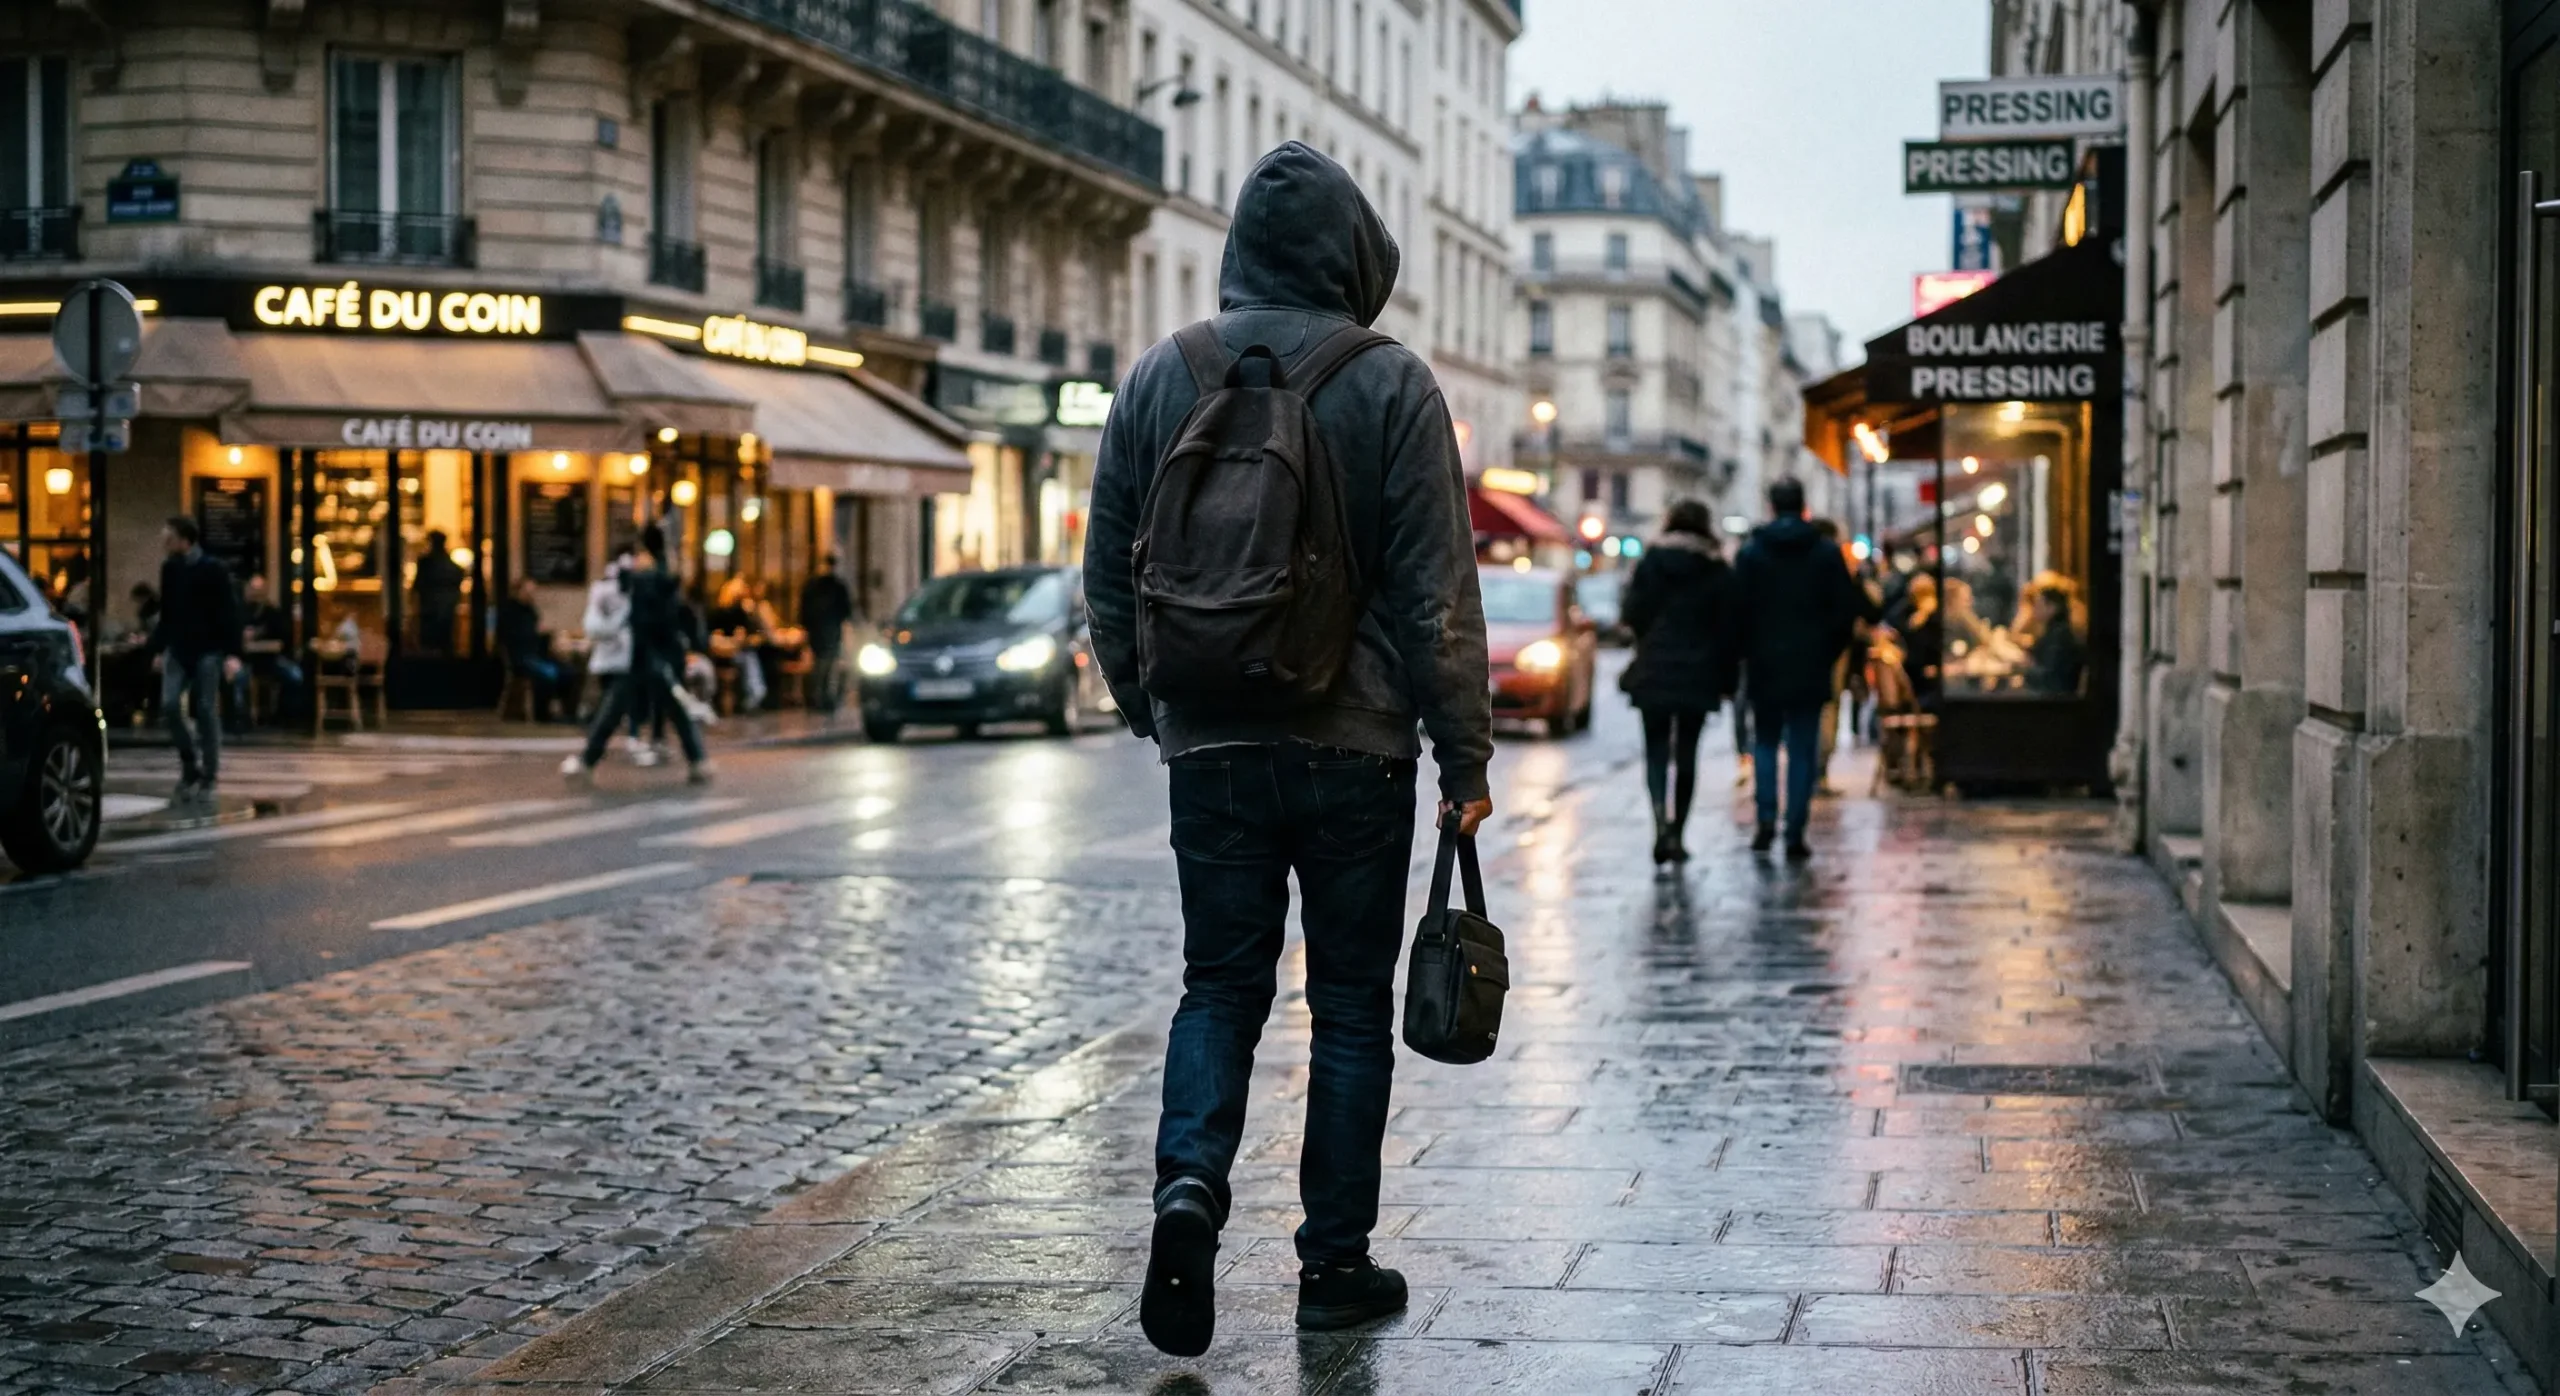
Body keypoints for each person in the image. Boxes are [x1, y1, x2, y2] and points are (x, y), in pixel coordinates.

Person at [1083, 141, 1493, 1356]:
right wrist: (1462, 760)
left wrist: (1150, 705)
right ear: (1352, 252)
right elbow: (1437, 595)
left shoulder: (1162, 375)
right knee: (1351, 1007)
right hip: (1355, 744)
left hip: (1208, 739)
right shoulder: (1391, 383)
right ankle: (1333, 1264)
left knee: (1219, 985)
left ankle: (1186, 1194)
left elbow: (1110, 570)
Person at [1730, 477, 1860, 861]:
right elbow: (1844, 612)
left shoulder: (1752, 552)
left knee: (1766, 742)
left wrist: (1746, 653)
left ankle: (1766, 819)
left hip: (1765, 663)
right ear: (1804, 507)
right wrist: (1826, 652)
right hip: (1810, 662)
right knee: (1803, 746)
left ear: (1771, 505)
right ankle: (1795, 830)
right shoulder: (1825, 553)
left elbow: (1737, 612)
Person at [1618, 499, 1734, 868]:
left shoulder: (1650, 563)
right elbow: (1728, 627)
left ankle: (1659, 826)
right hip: (1698, 673)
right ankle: (1678, 833)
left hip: (1654, 669)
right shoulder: (1716, 569)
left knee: (1654, 752)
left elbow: (1631, 614)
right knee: (1686, 753)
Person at [565, 524, 711, 783]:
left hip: (641, 655)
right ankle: (698, 760)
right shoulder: (660, 576)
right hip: (656, 655)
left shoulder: (642, 579)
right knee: (673, 709)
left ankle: (587, 760)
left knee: (615, 709)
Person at [146, 516, 241, 804]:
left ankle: (208, 773)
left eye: (170, 539)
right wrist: (158, 648)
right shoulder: (170, 569)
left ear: (185, 540)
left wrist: (232, 653)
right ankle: (190, 764)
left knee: (205, 709)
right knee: (170, 705)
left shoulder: (213, 570)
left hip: (208, 648)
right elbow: (168, 611)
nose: (166, 544)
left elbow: (228, 611)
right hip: (178, 647)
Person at [582, 546, 653, 762]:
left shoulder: (602, 589)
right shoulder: (625, 590)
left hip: (612, 657)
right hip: (623, 656)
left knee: (615, 702)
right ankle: (594, 751)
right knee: (617, 703)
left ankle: (594, 751)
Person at [232, 575, 303, 723]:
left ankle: (283, 716)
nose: (256, 596)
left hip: (270, 659)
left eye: (260, 592)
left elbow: (284, 638)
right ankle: (241, 718)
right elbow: (229, 638)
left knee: (295, 676)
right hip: (245, 659)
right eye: (253, 591)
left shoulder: (272, 612)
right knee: (238, 677)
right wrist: (242, 637)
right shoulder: (237, 612)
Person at [497, 577, 565, 721]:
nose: (532, 595)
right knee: (549, 674)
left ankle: (565, 712)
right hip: (521, 657)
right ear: (519, 591)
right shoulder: (510, 611)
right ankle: (542, 714)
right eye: (529, 591)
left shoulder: (531, 610)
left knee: (567, 672)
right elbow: (512, 637)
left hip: (535, 655)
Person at [799, 554, 857, 715]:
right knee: (827, 665)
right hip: (829, 631)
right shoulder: (835, 586)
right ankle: (824, 696)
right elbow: (846, 611)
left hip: (821, 632)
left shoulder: (815, 586)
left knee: (822, 664)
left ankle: (820, 696)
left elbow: (804, 612)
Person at [2022, 579, 2088, 695]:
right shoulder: (2054, 630)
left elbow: (2051, 678)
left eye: (2039, 605)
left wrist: (2026, 669)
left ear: (2052, 608)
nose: (2034, 610)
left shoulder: (2059, 636)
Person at [412, 530, 466, 655]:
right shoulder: (450, 565)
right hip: (445, 608)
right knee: (445, 642)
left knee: (430, 645)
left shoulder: (426, 563)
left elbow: (418, 585)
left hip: (430, 609)